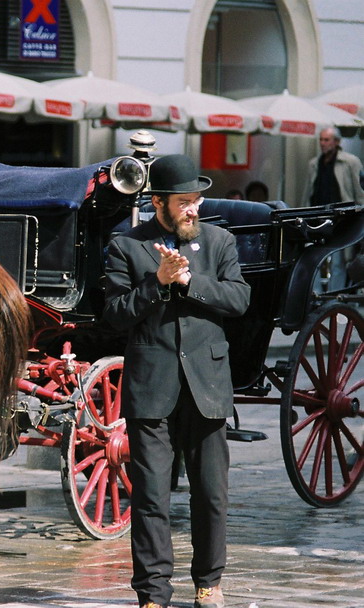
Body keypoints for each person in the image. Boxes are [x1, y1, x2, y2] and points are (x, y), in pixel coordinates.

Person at [104, 154, 251, 608]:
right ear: (158, 202)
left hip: (207, 386)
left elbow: (239, 298)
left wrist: (189, 283)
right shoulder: (126, 246)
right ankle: (152, 594)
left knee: (211, 495)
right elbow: (111, 316)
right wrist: (157, 283)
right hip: (152, 390)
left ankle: (209, 582)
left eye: (197, 200)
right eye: (184, 202)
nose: (193, 209)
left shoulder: (221, 241)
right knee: (150, 499)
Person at [301, 127, 364, 290]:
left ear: (336, 142)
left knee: (338, 261)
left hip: (341, 219)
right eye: (321, 139)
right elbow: (308, 192)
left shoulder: (350, 161)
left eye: (326, 140)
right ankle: (315, 295)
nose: (322, 143)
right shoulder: (314, 163)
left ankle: (334, 295)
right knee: (312, 259)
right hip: (317, 218)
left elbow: (358, 192)